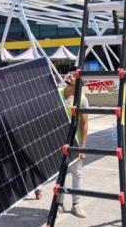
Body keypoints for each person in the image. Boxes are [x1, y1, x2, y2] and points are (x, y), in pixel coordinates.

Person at [57, 66, 89, 218]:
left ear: (79, 82)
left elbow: (84, 124)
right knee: (60, 173)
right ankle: (59, 204)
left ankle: (76, 204)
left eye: (74, 75)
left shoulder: (81, 99)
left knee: (76, 172)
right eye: (70, 73)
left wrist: (82, 147)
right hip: (58, 141)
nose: (70, 76)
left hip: (74, 141)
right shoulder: (57, 93)